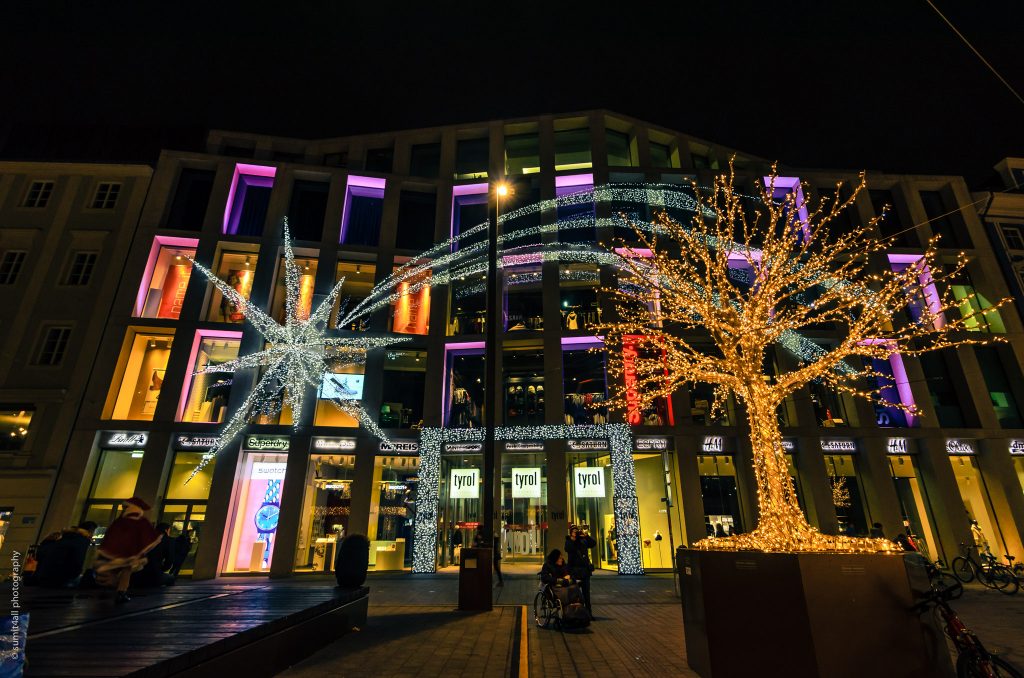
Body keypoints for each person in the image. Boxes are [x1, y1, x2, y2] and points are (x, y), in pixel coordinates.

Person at [94, 497, 162, 604]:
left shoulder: (120, 520)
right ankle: (121, 591)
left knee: (113, 569)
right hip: (129, 551)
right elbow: (147, 535)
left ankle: (108, 589)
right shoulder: (139, 520)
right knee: (126, 571)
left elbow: (111, 535)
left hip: (114, 551)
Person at [33, 521, 97, 588]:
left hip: (46, 575)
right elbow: (78, 561)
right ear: (90, 530)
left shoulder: (65, 537)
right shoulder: (82, 540)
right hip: (63, 578)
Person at [564, 524, 597, 619]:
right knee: (575, 594)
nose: (576, 533)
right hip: (574, 572)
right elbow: (568, 548)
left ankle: (589, 613)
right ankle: (576, 613)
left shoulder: (583, 539)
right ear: (570, 533)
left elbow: (593, 544)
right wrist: (573, 539)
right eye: (574, 531)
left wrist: (586, 535)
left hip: (585, 571)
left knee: (586, 594)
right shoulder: (568, 541)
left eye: (576, 531)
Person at [131, 522, 176, 588]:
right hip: (154, 575)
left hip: (137, 575)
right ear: (166, 530)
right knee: (171, 578)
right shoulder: (168, 540)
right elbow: (169, 560)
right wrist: (161, 569)